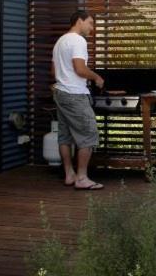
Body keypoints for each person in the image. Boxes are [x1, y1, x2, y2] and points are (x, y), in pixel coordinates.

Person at [52, 10, 105, 190]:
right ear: (79, 21)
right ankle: (82, 178)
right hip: (74, 94)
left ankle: (69, 174)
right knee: (89, 134)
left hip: (60, 92)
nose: (92, 28)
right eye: (90, 23)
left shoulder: (60, 41)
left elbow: (54, 72)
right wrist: (96, 77)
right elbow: (80, 69)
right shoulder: (78, 40)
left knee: (65, 136)